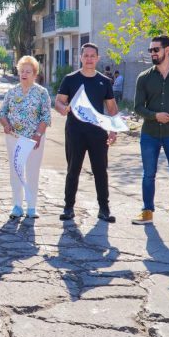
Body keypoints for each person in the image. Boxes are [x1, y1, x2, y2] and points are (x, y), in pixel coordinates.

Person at [131, 35, 169, 232]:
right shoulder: (144, 78)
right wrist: (155, 115)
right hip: (149, 134)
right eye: (150, 50)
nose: (152, 53)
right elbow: (138, 107)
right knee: (148, 175)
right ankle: (147, 212)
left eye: (155, 50)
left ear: (167, 50)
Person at [54, 43, 118, 223]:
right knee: (73, 170)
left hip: (98, 134)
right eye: (86, 55)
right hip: (75, 132)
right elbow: (58, 102)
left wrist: (113, 130)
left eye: (92, 56)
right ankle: (68, 208)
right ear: (80, 58)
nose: (89, 59)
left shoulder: (104, 81)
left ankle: (104, 209)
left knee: (100, 171)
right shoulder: (70, 79)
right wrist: (63, 109)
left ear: (97, 58)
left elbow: (112, 108)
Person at [0, 56, 51, 219]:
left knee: (32, 172)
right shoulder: (11, 92)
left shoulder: (42, 93)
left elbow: (46, 117)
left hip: (34, 140)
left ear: (35, 74)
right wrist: (6, 124)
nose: (24, 74)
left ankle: (32, 207)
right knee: (16, 171)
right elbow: (2, 113)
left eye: (28, 71)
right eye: (22, 71)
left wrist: (38, 135)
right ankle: (17, 205)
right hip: (14, 138)